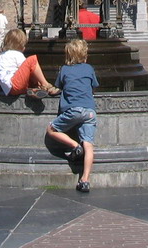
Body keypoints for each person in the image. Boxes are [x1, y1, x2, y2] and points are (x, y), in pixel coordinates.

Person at [45, 38, 99, 193]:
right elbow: (93, 87)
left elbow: (58, 88)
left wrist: (50, 89)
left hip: (73, 110)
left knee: (51, 130)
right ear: (84, 54)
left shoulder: (65, 70)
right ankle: (85, 180)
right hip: (89, 111)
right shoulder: (89, 69)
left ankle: (75, 146)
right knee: (88, 145)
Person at [0, 29, 59, 98]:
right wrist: (38, 82)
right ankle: (46, 85)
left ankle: (33, 89)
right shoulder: (17, 54)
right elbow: (29, 71)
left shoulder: (1, 56)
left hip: (8, 90)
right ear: (19, 45)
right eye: (24, 45)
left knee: (27, 75)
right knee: (32, 60)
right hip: (15, 85)